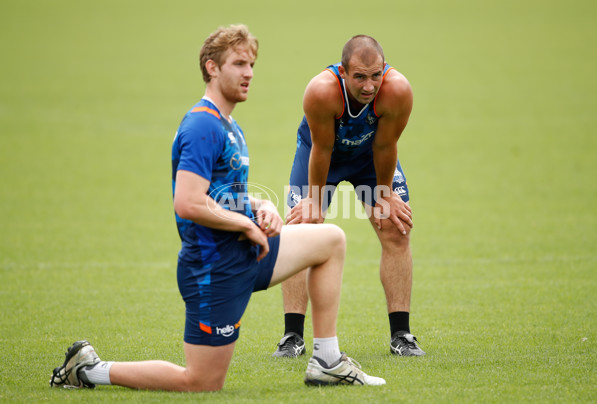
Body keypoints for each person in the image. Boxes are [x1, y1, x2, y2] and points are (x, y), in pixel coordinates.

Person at [48, 25, 386, 392]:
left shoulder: (229, 126)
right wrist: (246, 227)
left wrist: (260, 205)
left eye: (252, 64)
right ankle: (88, 369)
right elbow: (189, 201)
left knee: (330, 240)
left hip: (244, 254)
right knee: (202, 381)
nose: (249, 73)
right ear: (212, 68)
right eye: (239, 64)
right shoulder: (202, 125)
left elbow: (223, 193)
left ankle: (327, 360)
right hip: (213, 269)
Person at [272, 35, 425, 358]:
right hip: (321, 155)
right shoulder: (321, 92)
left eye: (375, 75)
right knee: (302, 230)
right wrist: (313, 200)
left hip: (371, 158)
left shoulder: (397, 91)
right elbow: (322, 148)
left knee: (396, 228)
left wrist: (384, 195)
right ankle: (292, 337)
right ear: (343, 72)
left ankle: (402, 335)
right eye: (359, 76)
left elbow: (385, 146)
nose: (369, 86)